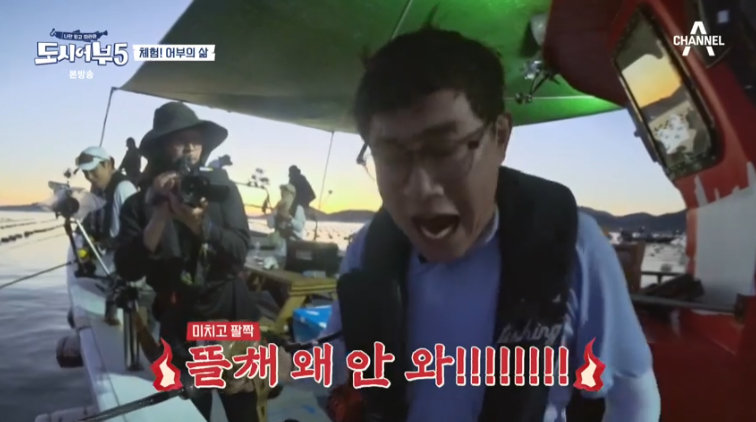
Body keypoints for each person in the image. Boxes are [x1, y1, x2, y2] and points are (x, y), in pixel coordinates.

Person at [304, 28, 660, 422]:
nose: (421, 188)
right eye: (392, 157)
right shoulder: (369, 249)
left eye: (445, 150)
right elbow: (342, 361)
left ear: (500, 136)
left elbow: (634, 398)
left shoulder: (573, 246)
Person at [114, 101, 260, 421]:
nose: (191, 147)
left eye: (196, 140)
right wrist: (159, 216)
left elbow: (239, 252)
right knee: (190, 412)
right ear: (161, 149)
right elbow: (127, 268)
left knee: (243, 410)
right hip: (179, 323)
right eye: (180, 140)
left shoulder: (222, 191)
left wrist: (201, 225)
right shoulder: (139, 204)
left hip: (230, 316)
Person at [75, 146, 137, 247]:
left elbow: (128, 234)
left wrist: (102, 245)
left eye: (93, 170)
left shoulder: (123, 188)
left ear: (107, 165)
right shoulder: (97, 189)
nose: (89, 177)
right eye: (85, 172)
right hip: (98, 254)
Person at [266, 183, 306, 264]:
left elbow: (300, 227)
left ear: (292, 194)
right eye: (282, 191)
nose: (282, 193)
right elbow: (270, 225)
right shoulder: (279, 207)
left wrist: (289, 218)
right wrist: (274, 212)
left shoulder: (298, 208)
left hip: (292, 251)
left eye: (285, 191)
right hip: (278, 251)